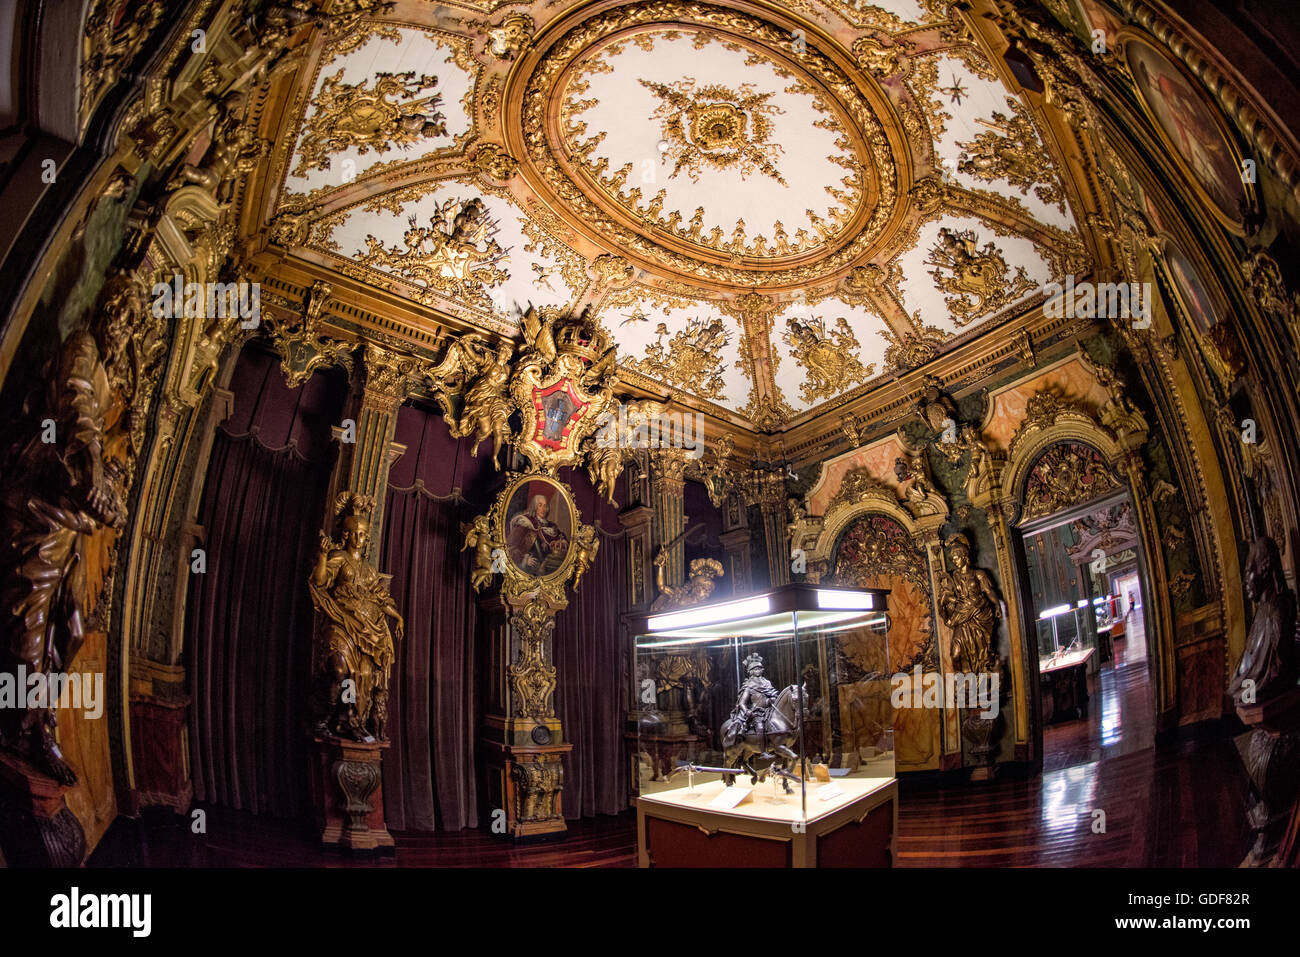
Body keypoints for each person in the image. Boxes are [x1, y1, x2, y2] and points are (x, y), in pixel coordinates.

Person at [507, 491, 569, 575]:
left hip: (549, 570)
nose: (543, 509)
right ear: (534, 507)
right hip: (530, 570)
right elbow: (510, 547)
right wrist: (524, 559)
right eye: (540, 505)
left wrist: (564, 541)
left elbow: (561, 537)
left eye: (545, 505)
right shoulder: (525, 523)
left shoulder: (551, 526)